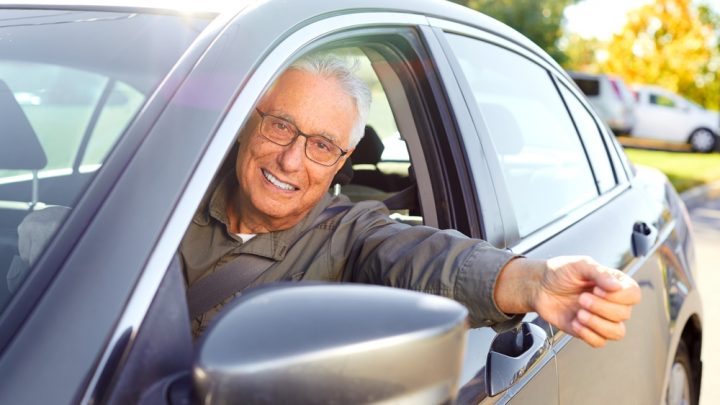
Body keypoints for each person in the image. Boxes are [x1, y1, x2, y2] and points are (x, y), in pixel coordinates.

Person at [180, 54, 641, 347]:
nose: (290, 161)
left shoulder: (351, 234)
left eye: (321, 146)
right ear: (247, 123)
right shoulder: (169, 196)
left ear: (341, 164)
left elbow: (422, 259)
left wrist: (531, 280)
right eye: (280, 125)